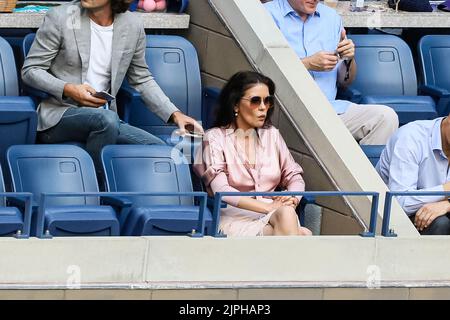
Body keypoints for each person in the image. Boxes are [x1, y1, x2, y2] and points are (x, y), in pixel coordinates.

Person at [21, 0, 203, 171]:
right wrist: (69, 89)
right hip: (59, 116)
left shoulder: (132, 25)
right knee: (106, 120)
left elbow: (142, 79)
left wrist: (175, 114)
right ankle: (96, 189)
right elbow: (31, 71)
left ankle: (122, 200)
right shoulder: (61, 17)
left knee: (158, 150)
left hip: (106, 118)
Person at [194, 71, 312, 237]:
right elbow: (221, 190)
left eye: (267, 101)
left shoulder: (272, 135)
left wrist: (292, 199)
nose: (263, 107)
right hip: (235, 216)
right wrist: (269, 207)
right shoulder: (213, 138)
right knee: (302, 234)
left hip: (276, 214)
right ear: (235, 104)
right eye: (255, 101)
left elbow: (295, 176)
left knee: (287, 217)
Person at [264, 0, 399, 145]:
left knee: (386, 117)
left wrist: (349, 59)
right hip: (284, 111)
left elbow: (345, 81)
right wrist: (307, 63)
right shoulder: (266, 14)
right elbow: (260, 73)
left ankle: (357, 168)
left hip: (329, 111)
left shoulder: (331, 17)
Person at [377, 116, 450, 235]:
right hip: (391, 217)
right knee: (441, 224)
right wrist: (447, 189)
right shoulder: (410, 137)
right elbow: (401, 202)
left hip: (440, 210)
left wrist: (447, 205)